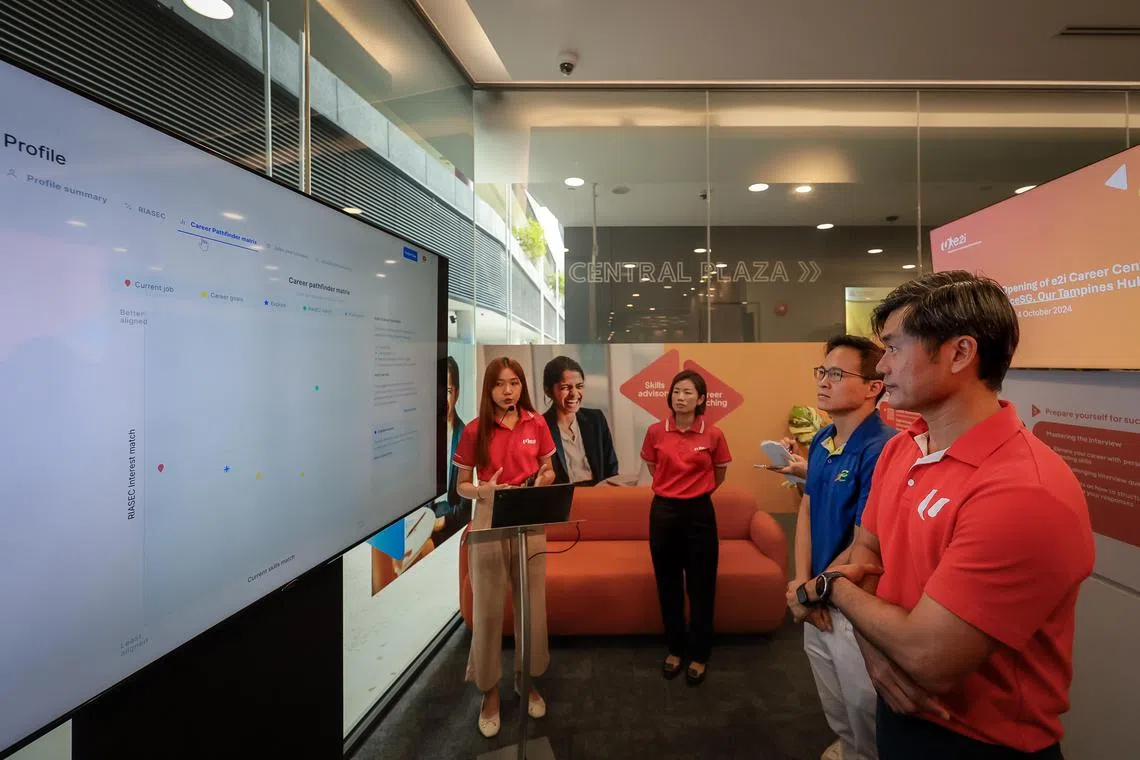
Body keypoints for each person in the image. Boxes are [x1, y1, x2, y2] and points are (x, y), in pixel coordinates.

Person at [795, 272, 1094, 760]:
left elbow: (929, 658)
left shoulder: (1024, 490)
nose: (883, 366)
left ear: (959, 353)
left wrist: (831, 589)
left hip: (979, 740)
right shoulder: (905, 449)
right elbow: (868, 552)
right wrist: (875, 652)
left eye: (893, 348)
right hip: (899, 709)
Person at [782, 336, 895, 760]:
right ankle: (848, 749)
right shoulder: (826, 438)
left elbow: (864, 540)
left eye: (837, 374)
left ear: (873, 386)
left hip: (852, 602)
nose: (824, 382)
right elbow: (807, 510)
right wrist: (800, 580)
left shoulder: (883, 447)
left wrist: (813, 589)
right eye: (822, 372)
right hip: (813, 596)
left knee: (865, 705)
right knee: (835, 702)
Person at [453, 357, 557, 738]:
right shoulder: (475, 429)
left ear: (522, 386)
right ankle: (490, 692)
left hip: (529, 521)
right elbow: (462, 484)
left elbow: (550, 469)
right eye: (500, 384)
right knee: (488, 611)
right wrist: (483, 490)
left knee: (532, 609)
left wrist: (542, 480)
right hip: (488, 522)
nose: (508, 390)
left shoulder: (537, 422)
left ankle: (525, 680)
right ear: (489, 388)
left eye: (514, 383)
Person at [640, 369, 731, 686]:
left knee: (701, 586)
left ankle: (700, 653)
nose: (681, 397)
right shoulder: (655, 431)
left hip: (699, 513)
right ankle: (675, 650)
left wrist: (695, 492)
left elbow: (719, 473)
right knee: (668, 586)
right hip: (663, 512)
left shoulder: (713, 434)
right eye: (676, 391)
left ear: (702, 399)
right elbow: (654, 467)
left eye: (688, 392)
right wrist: (673, 490)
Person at [541, 355, 619, 485]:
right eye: (565, 387)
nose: (574, 393)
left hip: (599, 493)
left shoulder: (596, 419)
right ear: (548, 391)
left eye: (579, 386)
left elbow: (611, 468)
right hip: (564, 499)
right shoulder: (541, 426)